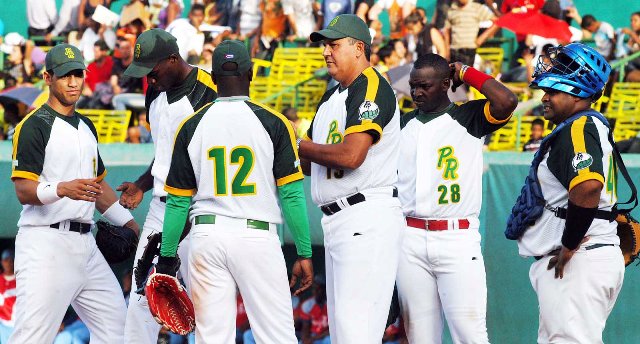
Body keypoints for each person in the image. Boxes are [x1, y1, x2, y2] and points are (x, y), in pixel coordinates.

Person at [157, 39, 314, 343]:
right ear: (251, 73)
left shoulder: (191, 125)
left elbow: (177, 202)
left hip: (207, 237)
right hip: (256, 236)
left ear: (213, 77)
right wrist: (304, 251)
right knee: (277, 337)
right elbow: (292, 197)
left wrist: (166, 256)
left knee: (213, 338)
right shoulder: (275, 122)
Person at [8, 43, 139, 344]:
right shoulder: (34, 126)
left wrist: (129, 223)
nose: (73, 82)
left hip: (87, 245)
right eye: (65, 75)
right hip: (46, 243)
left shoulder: (87, 126)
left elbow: (98, 187)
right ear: (48, 77)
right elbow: (23, 190)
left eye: (78, 74)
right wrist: (62, 189)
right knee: (32, 338)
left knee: (119, 330)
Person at [396, 53, 517, 343]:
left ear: (446, 84)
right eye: (413, 86)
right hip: (409, 237)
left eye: (424, 85)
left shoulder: (468, 117)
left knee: (469, 333)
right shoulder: (400, 124)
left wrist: (467, 72)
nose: (416, 92)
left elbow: (507, 102)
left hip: (457, 237)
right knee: (419, 335)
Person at [299, 14, 405, 343]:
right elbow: (308, 164)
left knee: (356, 332)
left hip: (366, 215)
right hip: (339, 220)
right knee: (346, 331)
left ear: (359, 48)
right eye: (324, 46)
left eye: (333, 44)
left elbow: (350, 156)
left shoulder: (372, 86)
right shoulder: (331, 97)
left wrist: (298, 143)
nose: (326, 52)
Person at [513, 42, 623, 343]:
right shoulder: (583, 126)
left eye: (552, 91)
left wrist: (569, 245)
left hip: (580, 259)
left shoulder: (578, 128)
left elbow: (588, 187)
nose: (544, 97)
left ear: (577, 94)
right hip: (590, 255)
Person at [118, 28, 218, 344]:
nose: (148, 77)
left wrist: (182, 229)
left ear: (173, 59)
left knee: (204, 305)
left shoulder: (207, 93)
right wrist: (141, 184)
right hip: (160, 207)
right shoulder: (155, 90)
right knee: (140, 296)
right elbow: (166, 155)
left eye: (152, 69)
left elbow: (211, 165)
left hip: (197, 211)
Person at [300, 275, 330, 344]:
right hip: (313, 336)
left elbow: (332, 330)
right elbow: (305, 328)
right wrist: (306, 340)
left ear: (324, 290)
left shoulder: (330, 305)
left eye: (318, 289)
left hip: (326, 337)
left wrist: (313, 339)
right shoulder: (307, 305)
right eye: (314, 288)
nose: (315, 291)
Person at [0, 249, 16, 343]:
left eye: (12, 260)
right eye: (6, 260)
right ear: (2, 262)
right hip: (4, 326)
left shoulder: (22, 279)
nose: (9, 263)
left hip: (21, 325)